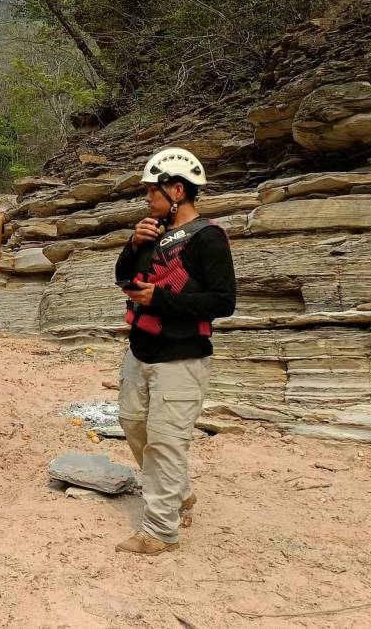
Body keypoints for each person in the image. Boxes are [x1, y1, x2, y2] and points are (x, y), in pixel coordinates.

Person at [113, 147, 236, 555]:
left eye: (153, 191)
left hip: (182, 358)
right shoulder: (153, 231)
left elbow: (223, 302)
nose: (147, 198)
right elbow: (124, 278)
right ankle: (179, 490)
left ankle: (160, 531)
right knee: (133, 424)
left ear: (177, 190)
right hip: (140, 351)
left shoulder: (209, 238)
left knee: (165, 443)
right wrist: (133, 245)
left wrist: (159, 300)